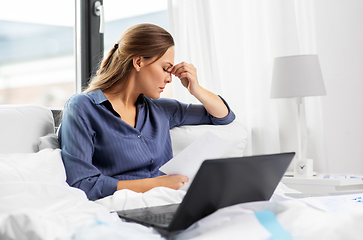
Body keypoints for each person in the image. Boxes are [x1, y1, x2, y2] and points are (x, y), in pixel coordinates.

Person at [58, 23, 235, 201]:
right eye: (166, 69)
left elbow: (223, 116)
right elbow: (82, 183)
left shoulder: (162, 110)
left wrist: (196, 89)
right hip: (118, 207)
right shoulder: (82, 107)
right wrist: (159, 184)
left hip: (165, 203)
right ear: (138, 62)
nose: (169, 78)